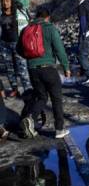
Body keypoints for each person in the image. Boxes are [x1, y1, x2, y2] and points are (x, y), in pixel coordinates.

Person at [17, 7, 71, 139]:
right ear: (48, 17)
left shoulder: (26, 30)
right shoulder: (50, 28)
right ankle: (59, 129)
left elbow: (18, 49)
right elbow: (59, 49)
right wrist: (66, 67)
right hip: (48, 68)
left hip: (32, 69)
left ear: (36, 16)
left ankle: (30, 118)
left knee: (41, 97)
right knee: (56, 97)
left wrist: (31, 60)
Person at [0, 0, 32, 97]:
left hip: (18, 44)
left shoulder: (19, 13)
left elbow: (27, 27)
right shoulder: (1, 14)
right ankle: (14, 89)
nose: (5, 3)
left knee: (22, 68)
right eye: (3, 1)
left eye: (7, 1)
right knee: (9, 68)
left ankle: (27, 89)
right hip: (4, 44)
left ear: (12, 1)